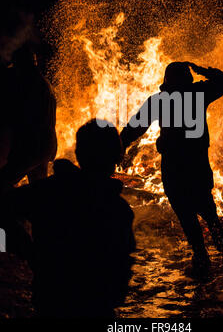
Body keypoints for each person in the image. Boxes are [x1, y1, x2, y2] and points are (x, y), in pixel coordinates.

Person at [0, 119, 135, 317]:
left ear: (79, 154)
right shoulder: (118, 209)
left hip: (50, 301)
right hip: (96, 307)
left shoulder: (46, 192)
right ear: (117, 157)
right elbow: (122, 265)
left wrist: (27, 249)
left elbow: (3, 208)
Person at [121, 61, 223, 275]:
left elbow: (136, 126)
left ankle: (201, 254)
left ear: (166, 81)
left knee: (185, 212)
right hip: (196, 161)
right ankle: (217, 236)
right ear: (188, 78)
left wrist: (119, 144)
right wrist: (203, 70)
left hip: (174, 165)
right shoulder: (198, 93)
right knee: (204, 201)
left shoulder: (159, 101)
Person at [0, 43, 57, 188]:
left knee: (4, 181)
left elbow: (15, 115)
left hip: (30, 145)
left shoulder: (26, 83)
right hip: (45, 145)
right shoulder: (45, 84)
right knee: (39, 188)